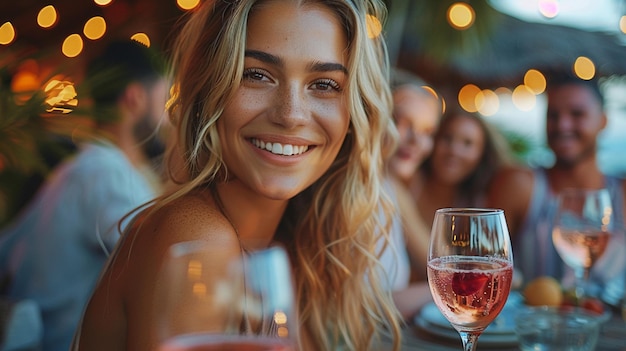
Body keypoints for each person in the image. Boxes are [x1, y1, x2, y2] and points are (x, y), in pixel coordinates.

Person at [73, 1, 403, 350]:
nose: (290, 114)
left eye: (324, 84)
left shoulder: (294, 243)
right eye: (256, 75)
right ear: (208, 90)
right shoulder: (199, 239)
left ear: (354, 113)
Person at [0, 39, 169, 351]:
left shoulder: (79, 168)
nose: (167, 119)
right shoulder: (106, 175)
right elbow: (165, 269)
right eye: (164, 102)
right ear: (135, 99)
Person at [487, 71, 626, 304]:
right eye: (553, 115)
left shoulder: (622, 194)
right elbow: (487, 267)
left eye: (577, 114)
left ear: (603, 120)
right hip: (534, 335)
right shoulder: (520, 186)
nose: (562, 125)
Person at [377, 78, 442, 320]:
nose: (416, 141)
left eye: (427, 132)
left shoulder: (390, 185)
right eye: (401, 122)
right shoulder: (351, 191)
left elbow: (438, 262)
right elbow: (367, 307)